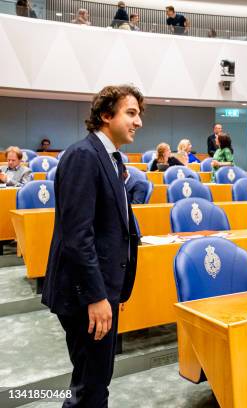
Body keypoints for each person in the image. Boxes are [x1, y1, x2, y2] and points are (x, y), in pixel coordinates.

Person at [41, 85, 143, 407]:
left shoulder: (111, 158)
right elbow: (77, 236)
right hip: (84, 295)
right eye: (131, 112)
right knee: (90, 387)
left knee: (95, 383)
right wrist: (97, 296)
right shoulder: (83, 156)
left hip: (101, 290)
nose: (138, 121)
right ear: (105, 115)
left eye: (139, 114)